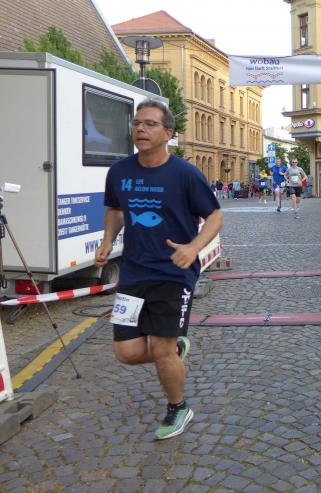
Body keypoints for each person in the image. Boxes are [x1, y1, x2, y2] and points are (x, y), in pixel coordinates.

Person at [94, 100, 222, 440]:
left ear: (168, 133)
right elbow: (115, 209)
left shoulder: (185, 174)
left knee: (161, 350)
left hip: (173, 273)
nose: (140, 128)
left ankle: (178, 407)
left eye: (150, 124)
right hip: (133, 273)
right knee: (126, 352)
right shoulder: (119, 172)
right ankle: (175, 352)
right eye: (137, 123)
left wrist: (193, 247)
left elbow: (215, 215)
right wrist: (107, 240)